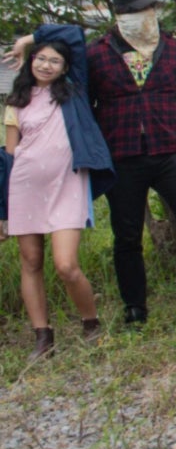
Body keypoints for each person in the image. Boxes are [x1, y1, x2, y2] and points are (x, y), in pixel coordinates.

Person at [8, 0, 176, 329]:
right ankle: (134, 309)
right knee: (127, 234)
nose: (143, 16)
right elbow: (78, 73)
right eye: (134, 11)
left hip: (170, 151)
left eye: (148, 9)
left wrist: (170, 128)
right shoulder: (95, 54)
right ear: (118, 14)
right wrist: (29, 39)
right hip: (122, 153)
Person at [5, 32, 114, 357]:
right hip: (24, 187)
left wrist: (28, 39)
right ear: (31, 63)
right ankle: (43, 335)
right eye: (41, 57)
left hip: (67, 185)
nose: (46, 65)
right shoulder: (17, 100)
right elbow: (9, 155)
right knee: (31, 260)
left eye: (55, 60)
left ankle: (91, 323)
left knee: (66, 265)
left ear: (67, 67)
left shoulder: (74, 92)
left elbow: (73, 36)